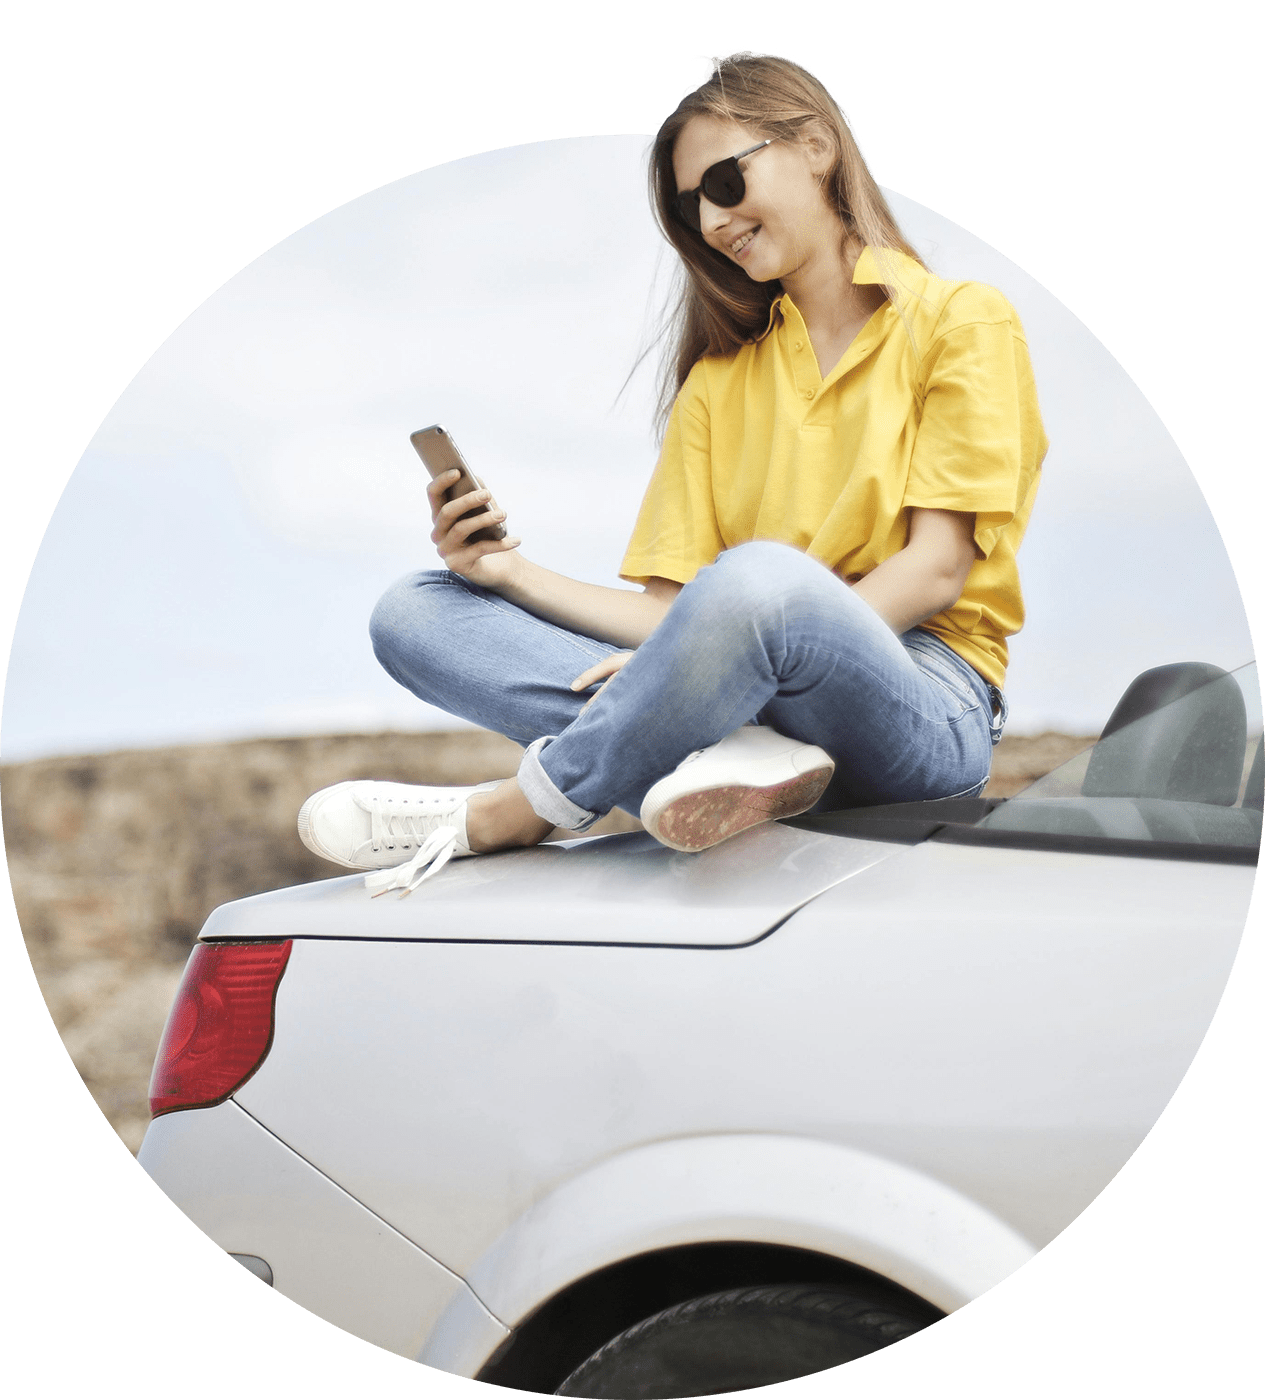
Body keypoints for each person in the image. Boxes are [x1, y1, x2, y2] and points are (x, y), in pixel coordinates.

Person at [298, 50, 1046, 895]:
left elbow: (936, 568)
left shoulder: (961, 321)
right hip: (741, 698)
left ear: (814, 146)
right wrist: (507, 572)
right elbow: (669, 615)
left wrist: (720, 658)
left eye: (724, 183)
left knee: (764, 583)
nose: (713, 219)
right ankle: (724, 756)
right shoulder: (718, 384)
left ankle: (518, 809)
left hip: (920, 698)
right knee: (414, 611)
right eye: (691, 208)